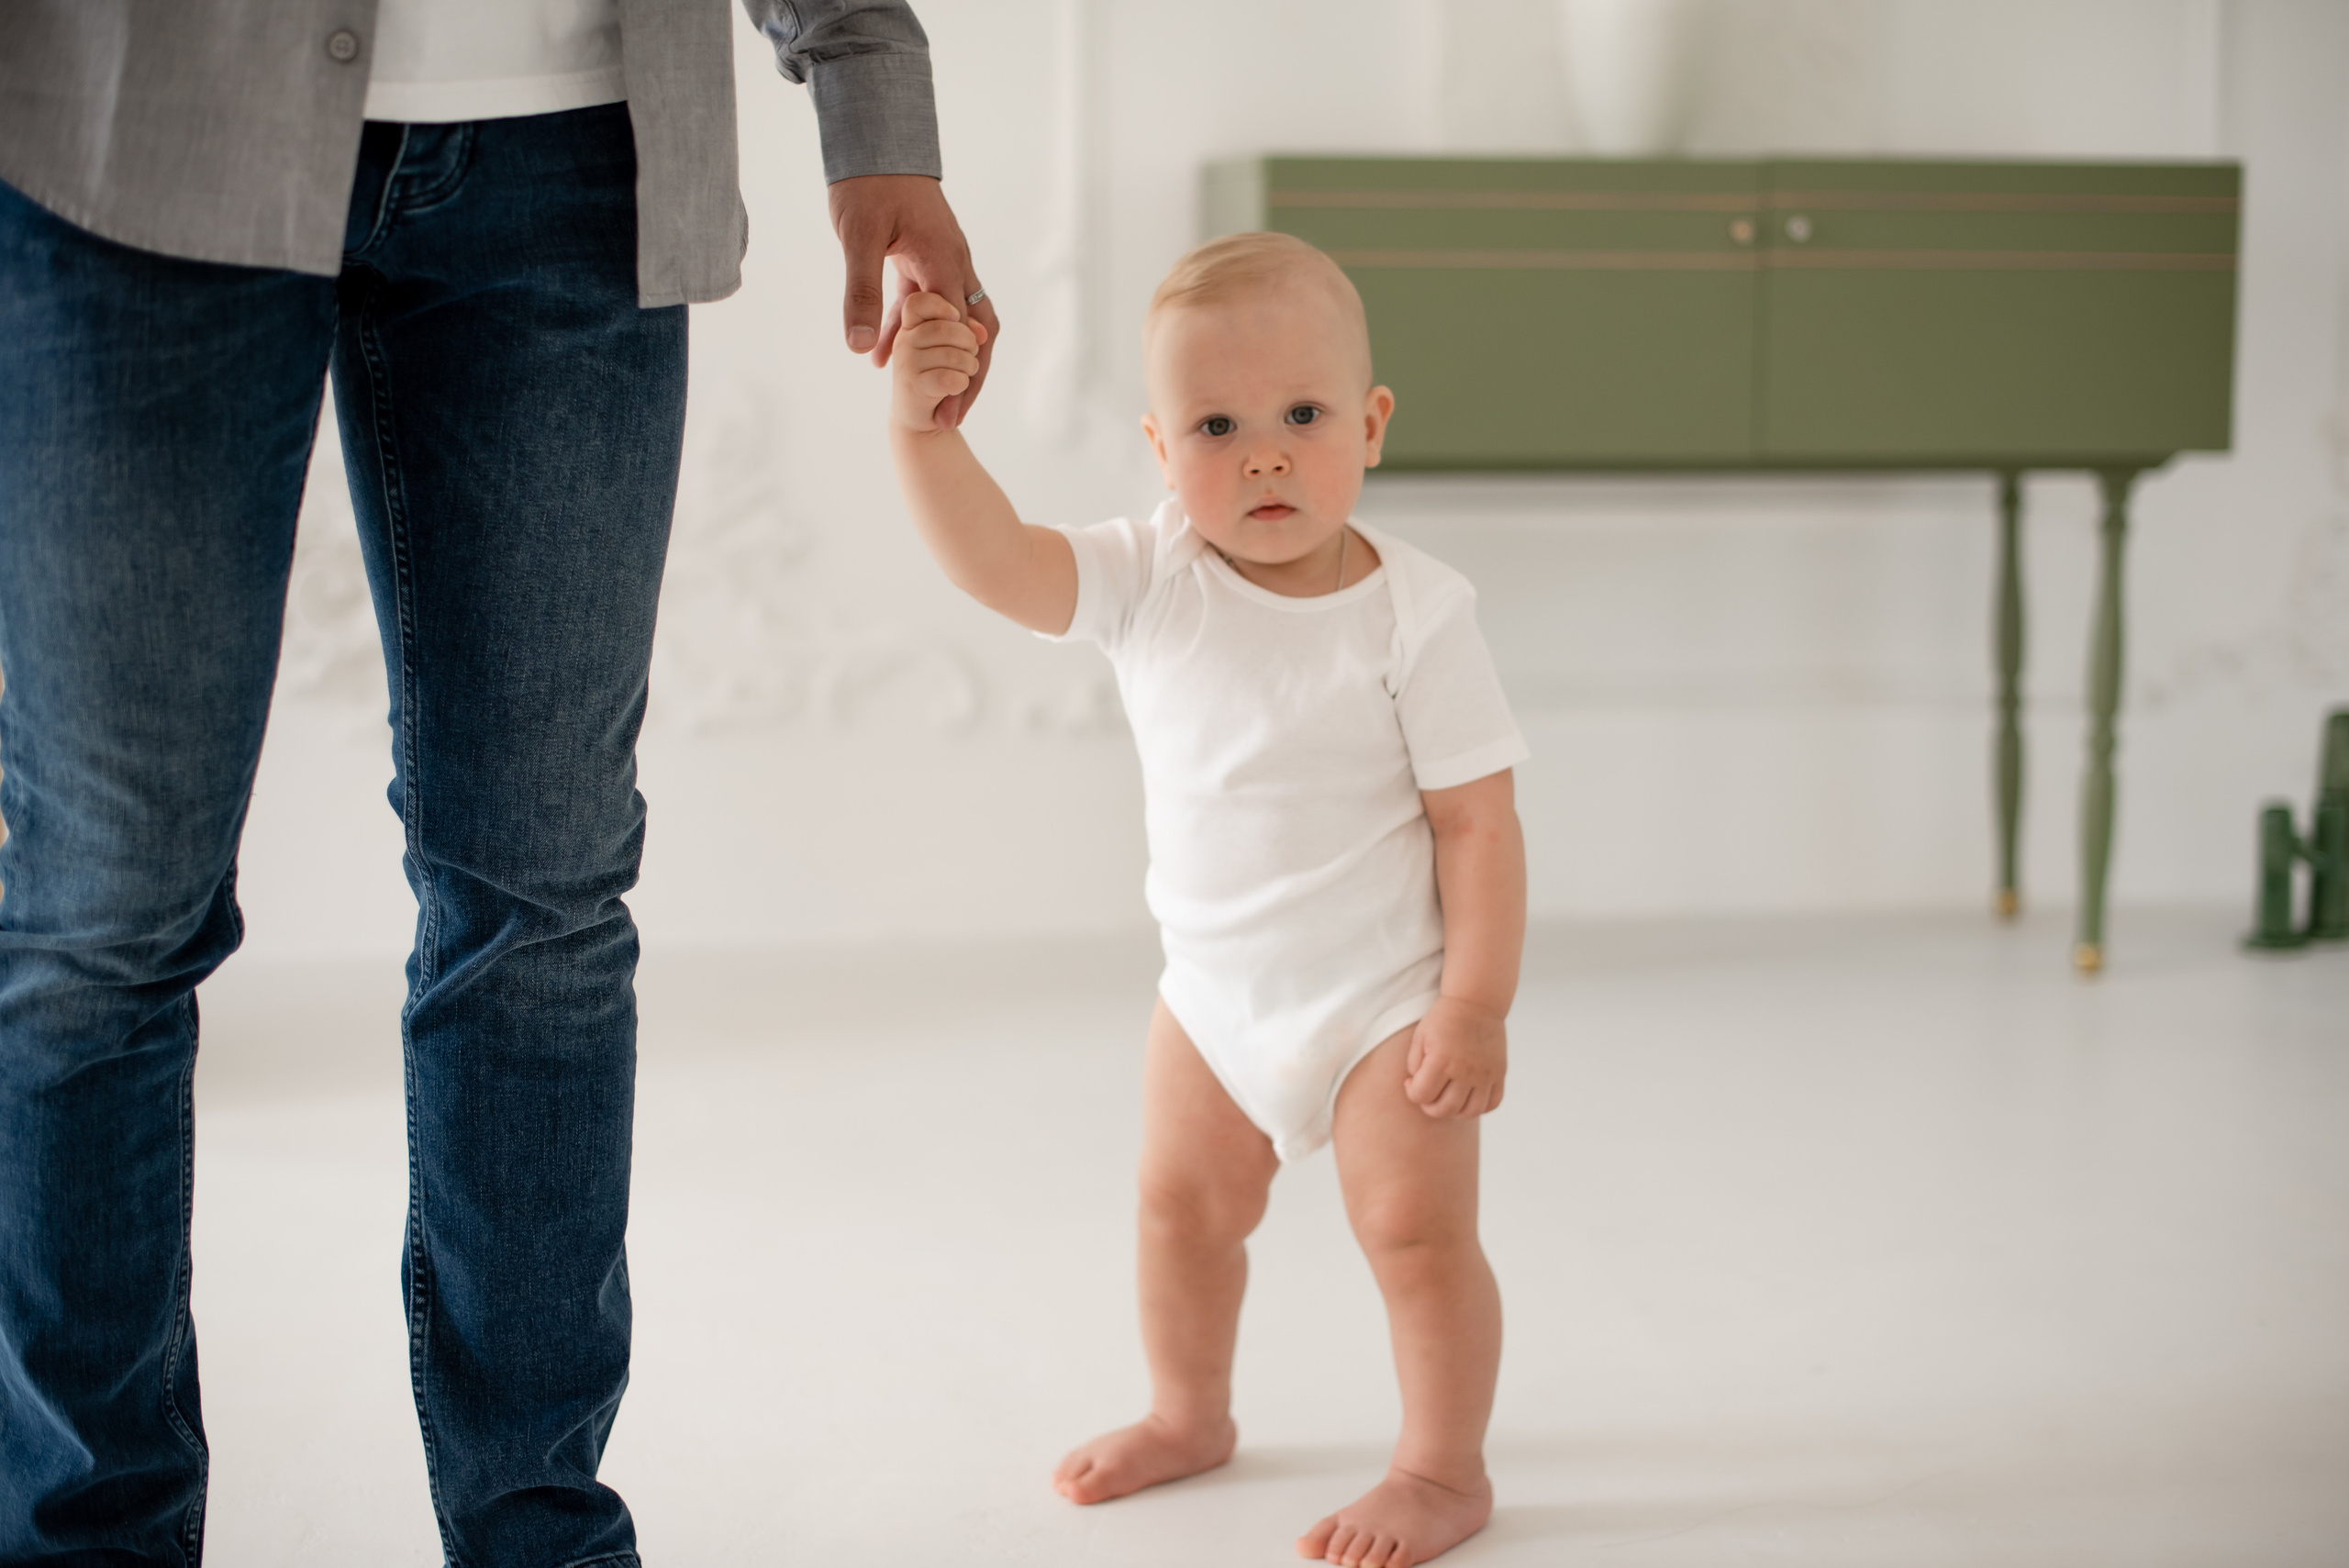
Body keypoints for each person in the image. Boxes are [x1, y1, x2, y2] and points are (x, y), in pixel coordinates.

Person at [0, 3, 993, 1562]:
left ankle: (540, 1535)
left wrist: (869, 82)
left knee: (541, 897)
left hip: (578, 156)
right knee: (98, 917)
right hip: (136, 138)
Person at [885, 231, 1529, 1568]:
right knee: (1179, 1211)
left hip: (1381, 1001)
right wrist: (926, 440)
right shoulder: (1152, 574)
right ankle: (1191, 1411)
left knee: (1414, 1227)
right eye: (1218, 426)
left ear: (1372, 422)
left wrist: (1472, 1003)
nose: (1267, 455)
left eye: (1303, 416)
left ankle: (1441, 1468)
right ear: (1160, 447)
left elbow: (1477, 824)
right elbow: (999, 560)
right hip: (1216, 997)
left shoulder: (1417, 615)